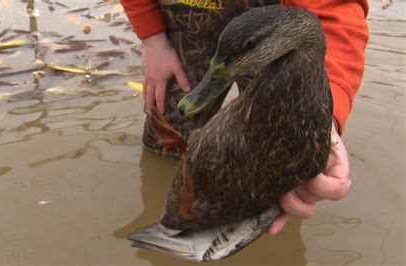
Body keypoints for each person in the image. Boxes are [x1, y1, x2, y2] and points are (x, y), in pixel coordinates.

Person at [120, 0, 369, 235]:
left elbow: (332, 11)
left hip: (274, 25)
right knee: (166, 139)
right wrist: (153, 39)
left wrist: (322, 117)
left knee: (280, 163)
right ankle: (164, 211)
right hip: (190, 18)